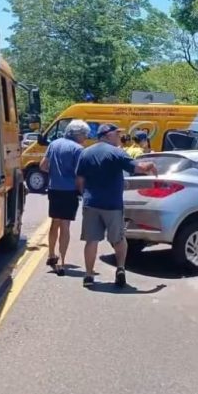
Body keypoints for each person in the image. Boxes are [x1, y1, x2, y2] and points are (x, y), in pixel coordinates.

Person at [75, 124, 157, 288]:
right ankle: (120, 269)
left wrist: (85, 195)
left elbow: (79, 180)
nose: (119, 137)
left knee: (91, 240)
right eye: (116, 134)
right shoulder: (117, 152)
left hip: (91, 203)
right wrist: (150, 166)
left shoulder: (86, 153)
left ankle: (89, 275)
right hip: (112, 204)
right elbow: (138, 167)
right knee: (119, 239)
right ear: (107, 135)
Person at [39, 120, 88, 275]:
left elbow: (43, 166)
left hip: (54, 188)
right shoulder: (79, 149)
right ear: (78, 134)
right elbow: (80, 174)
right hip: (69, 190)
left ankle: (51, 254)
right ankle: (62, 261)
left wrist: (55, 174)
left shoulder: (54, 144)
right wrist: (82, 191)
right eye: (84, 135)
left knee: (55, 222)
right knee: (65, 225)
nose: (85, 138)